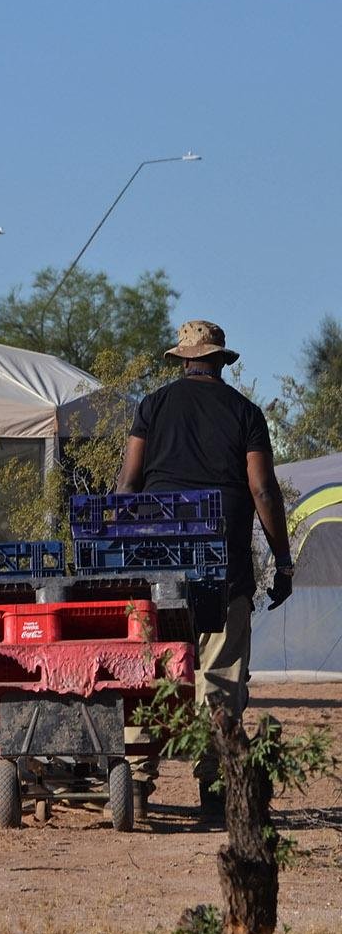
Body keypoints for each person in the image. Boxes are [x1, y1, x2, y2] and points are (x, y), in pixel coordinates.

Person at [115, 320, 294, 809]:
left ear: (183, 359)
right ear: (220, 361)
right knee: (219, 676)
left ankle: (133, 779)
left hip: (156, 569)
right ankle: (215, 788)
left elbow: (128, 485)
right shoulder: (245, 412)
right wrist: (282, 561)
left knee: (150, 670)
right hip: (224, 565)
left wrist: (121, 554)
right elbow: (262, 489)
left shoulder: (151, 406)